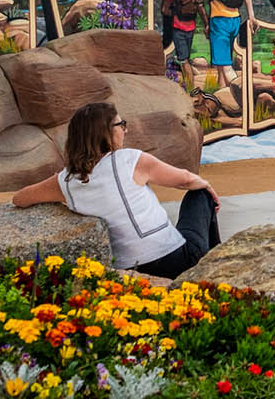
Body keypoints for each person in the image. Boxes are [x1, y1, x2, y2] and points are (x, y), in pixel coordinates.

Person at [13, 102, 221, 277]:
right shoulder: (129, 159)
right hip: (179, 259)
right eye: (121, 125)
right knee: (199, 194)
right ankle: (215, 267)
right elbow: (184, 180)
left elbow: (20, 198)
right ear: (105, 132)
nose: (125, 129)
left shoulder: (65, 180)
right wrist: (208, 187)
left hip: (129, 269)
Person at [159, 0, 200, 76]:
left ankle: (190, 89)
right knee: (185, 57)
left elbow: (164, 9)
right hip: (191, 26)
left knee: (183, 61)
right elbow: (199, 5)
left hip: (178, 26)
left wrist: (175, 12)